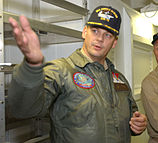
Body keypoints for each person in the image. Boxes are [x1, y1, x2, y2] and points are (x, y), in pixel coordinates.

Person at [8, 5, 147, 143]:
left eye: (108, 35)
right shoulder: (60, 71)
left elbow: (131, 116)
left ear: (114, 42)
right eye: (95, 31)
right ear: (84, 32)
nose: (100, 39)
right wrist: (31, 67)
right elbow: (24, 109)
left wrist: (138, 124)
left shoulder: (119, 79)